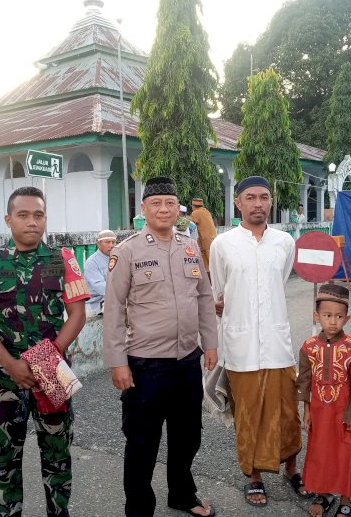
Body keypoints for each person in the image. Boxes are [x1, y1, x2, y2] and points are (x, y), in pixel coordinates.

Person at [0, 186, 88, 517]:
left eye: (38, 215)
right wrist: (11, 363)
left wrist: (44, 359)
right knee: (6, 457)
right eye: (23, 215)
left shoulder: (62, 259)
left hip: (53, 369)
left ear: (45, 219)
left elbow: (77, 315)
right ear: (8, 220)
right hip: (4, 375)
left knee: (58, 454)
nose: (31, 222)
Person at [103, 176, 218, 517]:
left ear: (178, 209)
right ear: (144, 209)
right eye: (156, 203)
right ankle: (139, 509)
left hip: (186, 362)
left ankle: (182, 494)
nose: (164, 209)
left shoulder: (189, 246)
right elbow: (113, 309)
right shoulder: (127, 252)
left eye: (170, 203)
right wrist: (117, 362)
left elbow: (203, 297)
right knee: (142, 444)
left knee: (187, 438)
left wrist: (209, 343)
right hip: (145, 365)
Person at [208, 176, 306, 507]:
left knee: (287, 412)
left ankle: (292, 469)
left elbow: (280, 281)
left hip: (278, 345)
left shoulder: (284, 242)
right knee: (248, 414)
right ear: (238, 203)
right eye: (250, 198)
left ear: (271, 201)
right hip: (241, 345)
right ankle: (254, 476)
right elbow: (219, 293)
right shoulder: (222, 245)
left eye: (264, 197)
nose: (258, 204)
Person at [296, 283, 351, 517]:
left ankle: (347, 499)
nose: (333, 322)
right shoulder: (308, 347)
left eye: (339, 317)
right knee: (321, 452)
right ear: (316, 316)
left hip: (344, 412)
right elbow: (305, 381)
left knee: (346, 453)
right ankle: (325, 493)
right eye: (327, 316)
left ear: (346, 319)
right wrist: (307, 411)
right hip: (319, 412)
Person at [84, 229, 117, 315]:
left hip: (116, 298)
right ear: (98, 244)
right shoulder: (92, 262)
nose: (111, 245)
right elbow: (101, 288)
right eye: (107, 242)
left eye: (113, 242)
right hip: (98, 302)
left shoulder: (118, 258)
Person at [189, 197, 216, 270]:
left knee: (209, 267)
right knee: (211, 265)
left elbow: (188, 227)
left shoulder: (196, 213)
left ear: (193, 206)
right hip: (213, 240)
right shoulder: (206, 211)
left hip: (205, 242)